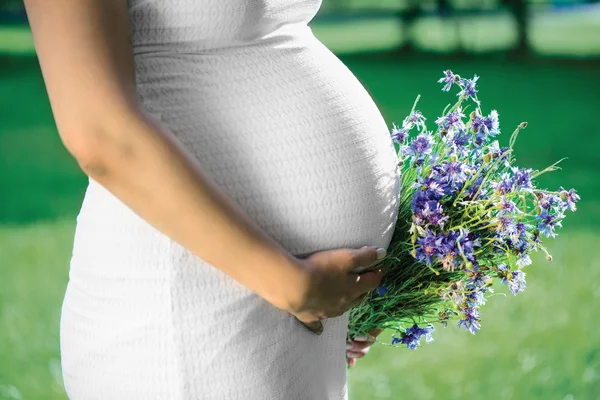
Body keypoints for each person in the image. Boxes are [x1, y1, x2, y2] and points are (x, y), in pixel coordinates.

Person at [24, 0, 401, 398]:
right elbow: (99, 131)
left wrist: (360, 288)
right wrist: (291, 285)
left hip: (296, 306)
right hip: (189, 308)